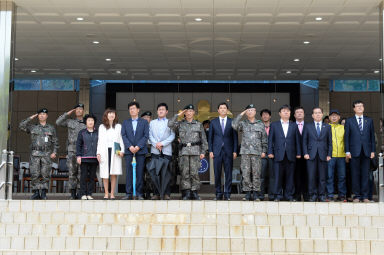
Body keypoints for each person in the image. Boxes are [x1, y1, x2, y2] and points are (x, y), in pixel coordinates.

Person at [168, 104, 208, 200]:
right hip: (184, 152)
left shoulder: (198, 125)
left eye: (191, 111)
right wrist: (178, 115)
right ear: (184, 113)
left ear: (194, 112)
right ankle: (186, 192)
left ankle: (194, 192)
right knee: (184, 173)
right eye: (187, 111)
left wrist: (203, 152)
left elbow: (204, 140)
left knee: (194, 173)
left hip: (195, 152)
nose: (189, 113)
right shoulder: (180, 124)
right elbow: (169, 124)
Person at [19, 108, 59, 200]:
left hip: (46, 153)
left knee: (45, 173)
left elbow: (55, 142)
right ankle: (36, 192)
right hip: (35, 153)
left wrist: (54, 152)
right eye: (40, 114)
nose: (42, 115)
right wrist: (31, 117)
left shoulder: (51, 128)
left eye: (44, 114)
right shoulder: (33, 127)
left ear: (47, 116)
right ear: (38, 116)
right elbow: (21, 125)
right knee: (35, 173)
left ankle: (44, 192)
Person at [232, 104, 267, 201]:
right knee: (246, 173)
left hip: (257, 153)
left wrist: (264, 150)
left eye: (252, 110)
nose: (250, 112)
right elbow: (234, 125)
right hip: (245, 153)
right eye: (248, 110)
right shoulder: (243, 123)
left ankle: (256, 193)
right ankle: (247, 193)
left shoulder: (260, 124)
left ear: (255, 112)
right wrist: (241, 114)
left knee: (256, 173)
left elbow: (264, 139)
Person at [268, 105, 301, 201]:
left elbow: (297, 140)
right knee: (278, 176)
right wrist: (270, 151)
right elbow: (271, 140)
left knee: (290, 177)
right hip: (278, 155)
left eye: (288, 111)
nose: (286, 112)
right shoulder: (274, 125)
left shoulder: (294, 125)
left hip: (291, 155)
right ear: (279, 113)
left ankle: (289, 195)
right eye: (283, 111)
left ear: (290, 113)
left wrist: (298, 152)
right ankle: (278, 195)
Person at [344, 100, 375, 203]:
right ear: (354, 109)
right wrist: (347, 151)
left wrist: (373, 151)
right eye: (357, 106)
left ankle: (365, 196)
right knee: (355, 174)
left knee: (365, 174)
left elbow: (372, 137)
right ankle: (356, 195)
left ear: (364, 107)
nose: (360, 108)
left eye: (361, 106)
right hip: (354, 152)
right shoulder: (349, 121)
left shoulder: (369, 120)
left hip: (366, 151)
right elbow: (346, 137)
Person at [208, 102, 238, 201]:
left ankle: (228, 194)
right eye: (221, 108)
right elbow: (210, 138)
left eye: (224, 108)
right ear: (218, 110)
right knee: (217, 173)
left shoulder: (232, 121)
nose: (223, 110)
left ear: (227, 110)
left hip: (229, 151)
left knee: (228, 173)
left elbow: (235, 138)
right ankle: (218, 193)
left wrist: (235, 150)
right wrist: (211, 150)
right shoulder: (213, 122)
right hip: (216, 151)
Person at [56, 103, 86, 199]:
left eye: (80, 109)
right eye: (76, 109)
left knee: (81, 173)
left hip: (83, 151)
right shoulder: (70, 121)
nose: (78, 111)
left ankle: (80, 193)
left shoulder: (87, 122)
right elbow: (58, 122)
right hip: (72, 150)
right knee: (72, 173)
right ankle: (73, 194)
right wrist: (68, 113)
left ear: (83, 111)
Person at [302, 107, 332, 202]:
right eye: (315, 113)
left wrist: (329, 154)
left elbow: (329, 142)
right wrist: (305, 153)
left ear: (322, 114)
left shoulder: (327, 126)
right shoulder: (307, 126)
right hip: (311, 155)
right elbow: (304, 141)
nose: (318, 114)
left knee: (322, 177)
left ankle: (322, 195)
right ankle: (313, 195)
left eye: (319, 113)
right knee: (311, 176)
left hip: (323, 154)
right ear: (312, 115)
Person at [121, 102, 149, 200]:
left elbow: (146, 136)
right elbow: (123, 135)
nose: (132, 110)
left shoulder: (144, 122)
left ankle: (139, 193)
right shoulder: (125, 122)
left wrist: (138, 147)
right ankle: (128, 193)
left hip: (140, 151)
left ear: (138, 110)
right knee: (129, 173)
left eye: (133, 108)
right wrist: (129, 146)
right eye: (130, 109)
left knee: (140, 172)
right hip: (129, 152)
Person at [149, 103, 175, 200]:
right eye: (159, 109)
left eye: (163, 109)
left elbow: (172, 135)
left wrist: (162, 144)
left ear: (166, 111)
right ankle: (156, 193)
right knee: (155, 173)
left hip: (166, 150)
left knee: (166, 173)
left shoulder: (170, 122)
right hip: (155, 150)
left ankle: (166, 193)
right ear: (157, 111)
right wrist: (156, 144)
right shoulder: (152, 123)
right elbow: (149, 135)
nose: (161, 111)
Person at [97, 108, 125, 199]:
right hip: (104, 151)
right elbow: (99, 141)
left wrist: (122, 150)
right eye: (109, 113)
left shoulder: (118, 126)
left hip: (115, 151)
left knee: (113, 172)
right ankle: (106, 193)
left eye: (113, 114)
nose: (111, 115)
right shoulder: (102, 127)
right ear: (106, 115)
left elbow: (121, 139)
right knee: (105, 173)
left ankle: (112, 193)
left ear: (115, 116)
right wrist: (98, 153)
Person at [76, 114, 99, 200]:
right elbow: (78, 145)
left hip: (94, 158)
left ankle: (89, 193)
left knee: (92, 177)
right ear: (86, 122)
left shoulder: (98, 132)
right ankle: (82, 194)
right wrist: (78, 156)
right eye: (89, 120)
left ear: (94, 122)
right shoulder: (81, 132)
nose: (90, 122)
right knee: (83, 176)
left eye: (92, 120)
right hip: (84, 158)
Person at [327, 109, 347, 202]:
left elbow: (347, 142)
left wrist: (347, 154)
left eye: (336, 115)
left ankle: (342, 195)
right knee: (329, 176)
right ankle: (330, 194)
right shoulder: (326, 127)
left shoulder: (343, 128)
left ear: (339, 117)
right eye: (332, 115)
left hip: (342, 156)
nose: (334, 117)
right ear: (329, 117)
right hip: (330, 156)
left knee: (342, 176)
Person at [293, 106, 308, 201]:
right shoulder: (290, 126)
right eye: (297, 112)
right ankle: (296, 195)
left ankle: (307, 195)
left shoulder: (309, 126)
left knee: (307, 175)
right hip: (294, 156)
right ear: (294, 115)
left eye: (301, 112)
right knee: (295, 176)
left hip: (307, 156)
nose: (299, 113)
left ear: (304, 114)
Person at [141, 111, 154, 199]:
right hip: (141, 150)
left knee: (150, 173)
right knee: (140, 173)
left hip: (151, 150)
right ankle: (141, 192)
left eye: (148, 117)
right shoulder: (138, 127)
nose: (146, 119)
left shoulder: (153, 128)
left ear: (151, 119)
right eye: (144, 117)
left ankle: (149, 192)